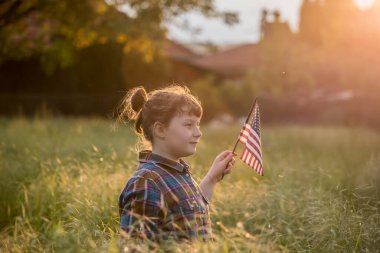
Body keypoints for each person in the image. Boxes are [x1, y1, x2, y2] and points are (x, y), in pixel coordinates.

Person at [116, 84, 236, 248]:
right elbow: (134, 248)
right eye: (188, 125)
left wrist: (212, 179)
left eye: (198, 124)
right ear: (160, 130)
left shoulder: (177, 172)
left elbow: (192, 211)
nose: (198, 132)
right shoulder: (146, 183)